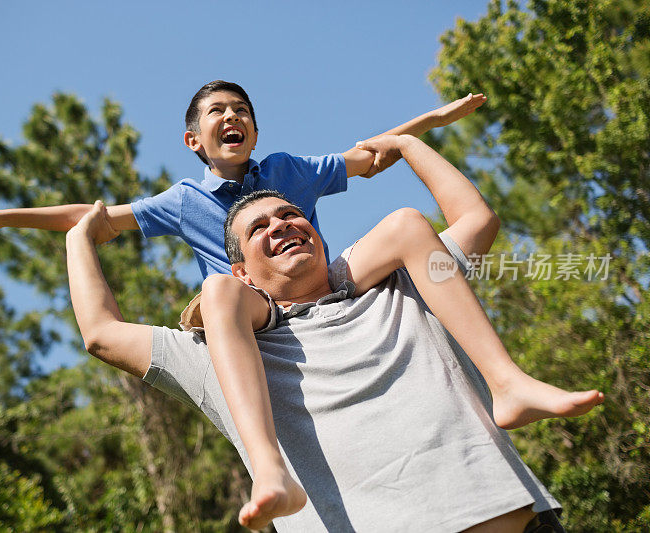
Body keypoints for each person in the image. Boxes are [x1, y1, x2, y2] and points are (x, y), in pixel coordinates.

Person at [0, 81, 490, 525]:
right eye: (218, 111)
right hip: (247, 310)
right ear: (193, 140)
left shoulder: (285, 171)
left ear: (253, 129)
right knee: (219, 298)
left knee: (403, 234)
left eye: (243, 110)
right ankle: (267, 466)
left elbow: (372, 154)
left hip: (319, 280)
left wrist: (430, 123)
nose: (233, 116)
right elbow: (95, 221)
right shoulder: (185, 201)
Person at [65, 134, 602, 531]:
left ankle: (508, 382)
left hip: (516, 520)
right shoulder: (225, 353)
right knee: (216, 297)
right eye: (259, 228)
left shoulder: (406, 285)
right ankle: (271, 471)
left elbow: (476, 219)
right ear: (243, 272)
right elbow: (101, 333)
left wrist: (410, 145)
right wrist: (78, 239)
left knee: (408, 220)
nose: (280, 225)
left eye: (291, 215)